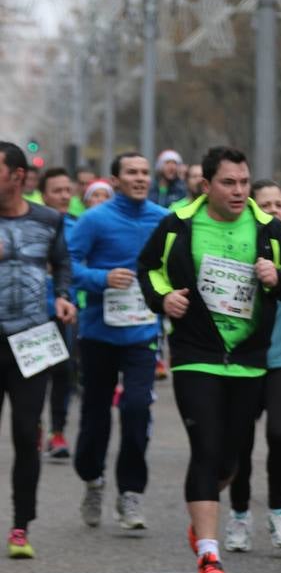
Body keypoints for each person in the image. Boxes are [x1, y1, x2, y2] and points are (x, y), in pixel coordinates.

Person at [136, 146, 281, 573]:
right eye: (228, 183)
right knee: (206, 449)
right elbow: (149, 268)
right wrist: (163, 299)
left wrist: (276, 278)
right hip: (196, 353)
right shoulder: (178, 223)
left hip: (249, 359)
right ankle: (209, 554)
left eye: (243, 182)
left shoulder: (269, 228)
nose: (237, 191)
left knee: (231, 457)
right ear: (206, 184)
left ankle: (202, 521)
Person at [67, 152, 168, 530]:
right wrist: (102, 279)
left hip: (143, 332)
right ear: (115, 179)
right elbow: (69, 265)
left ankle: (131, 494)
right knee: (95, 414)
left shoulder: (162, 220)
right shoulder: (95, 220)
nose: (140, 178)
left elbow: (174, 267)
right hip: (98, 332)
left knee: (136, 408)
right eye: (132, 173)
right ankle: (92, 479)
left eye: (144, 172)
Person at [223, 180, 281, 552]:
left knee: (278, 433)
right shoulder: (238, 246)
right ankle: (240, 516)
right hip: (245, 355)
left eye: (280, 204)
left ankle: (278, 512)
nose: (275, 211)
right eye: (267, 204)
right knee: (240, 439)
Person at [0, 142, 76, 558]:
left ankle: (20, 526)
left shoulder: (48, 220)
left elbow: (63, 263)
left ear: (17, 176)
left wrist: (64, 296)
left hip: (33, 337)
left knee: (27, 433)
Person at [38, 167, 78, 460]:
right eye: (57, 191)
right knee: (39, 373)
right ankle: (36, 426)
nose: (64, 196)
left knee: (65, 372)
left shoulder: (81, 225)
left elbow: (82, 266)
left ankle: (58, 431)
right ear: (44, 195)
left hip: (70, 311)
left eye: (67, 190)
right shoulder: (34, 226)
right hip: (37, 312)